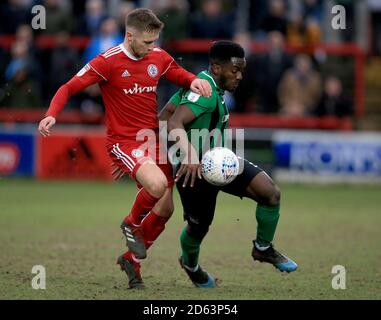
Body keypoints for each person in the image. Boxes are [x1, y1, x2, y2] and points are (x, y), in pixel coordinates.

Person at [38, 8, 211, 289]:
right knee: (155, 186)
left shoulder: (158, 56)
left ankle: (132, 260)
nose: (152, 47)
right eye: (147, 42)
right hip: (124, 142)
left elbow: (177, 73)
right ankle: (131, 224)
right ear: (129, 36)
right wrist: (51, 113)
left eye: (155, 41)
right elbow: (68, 87)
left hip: (151, 140)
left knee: (166, 208)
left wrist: (194, 80)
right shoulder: (107, 62)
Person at [159, 40, 297, 288]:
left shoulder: (200, 83)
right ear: (216, 68)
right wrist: (187, 156)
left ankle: (263, 248)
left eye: (241, 70)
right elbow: (174, 122)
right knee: (198, 228)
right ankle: (191, 265)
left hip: (220, 161)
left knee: (270, 193)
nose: (240, 76)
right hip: (194, 171)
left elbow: (165, 115)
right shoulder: (206, 92)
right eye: (235, 71)